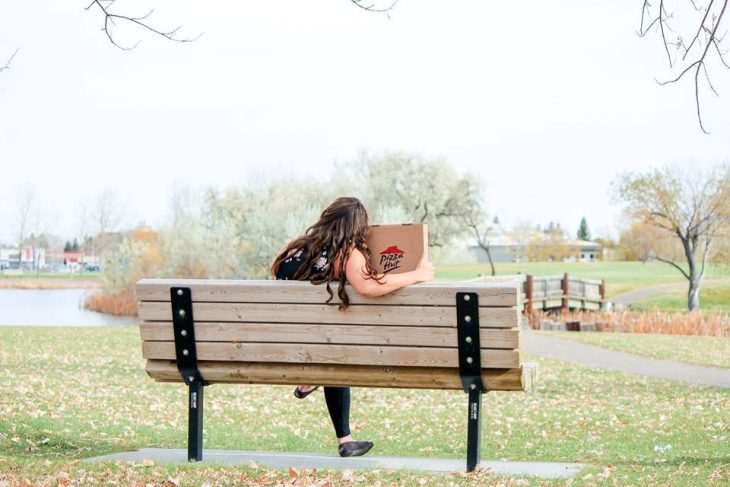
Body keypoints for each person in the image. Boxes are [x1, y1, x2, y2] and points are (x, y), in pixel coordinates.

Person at [271, 196, 435, 458]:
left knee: (332, 352)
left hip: (285, 342)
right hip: (323, 345)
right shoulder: (346, 252)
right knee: (337, 355)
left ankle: (339, 428)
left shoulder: (291, 249)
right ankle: (315, 382)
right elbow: (368, 286)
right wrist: (419, 274)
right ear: (358, 227)